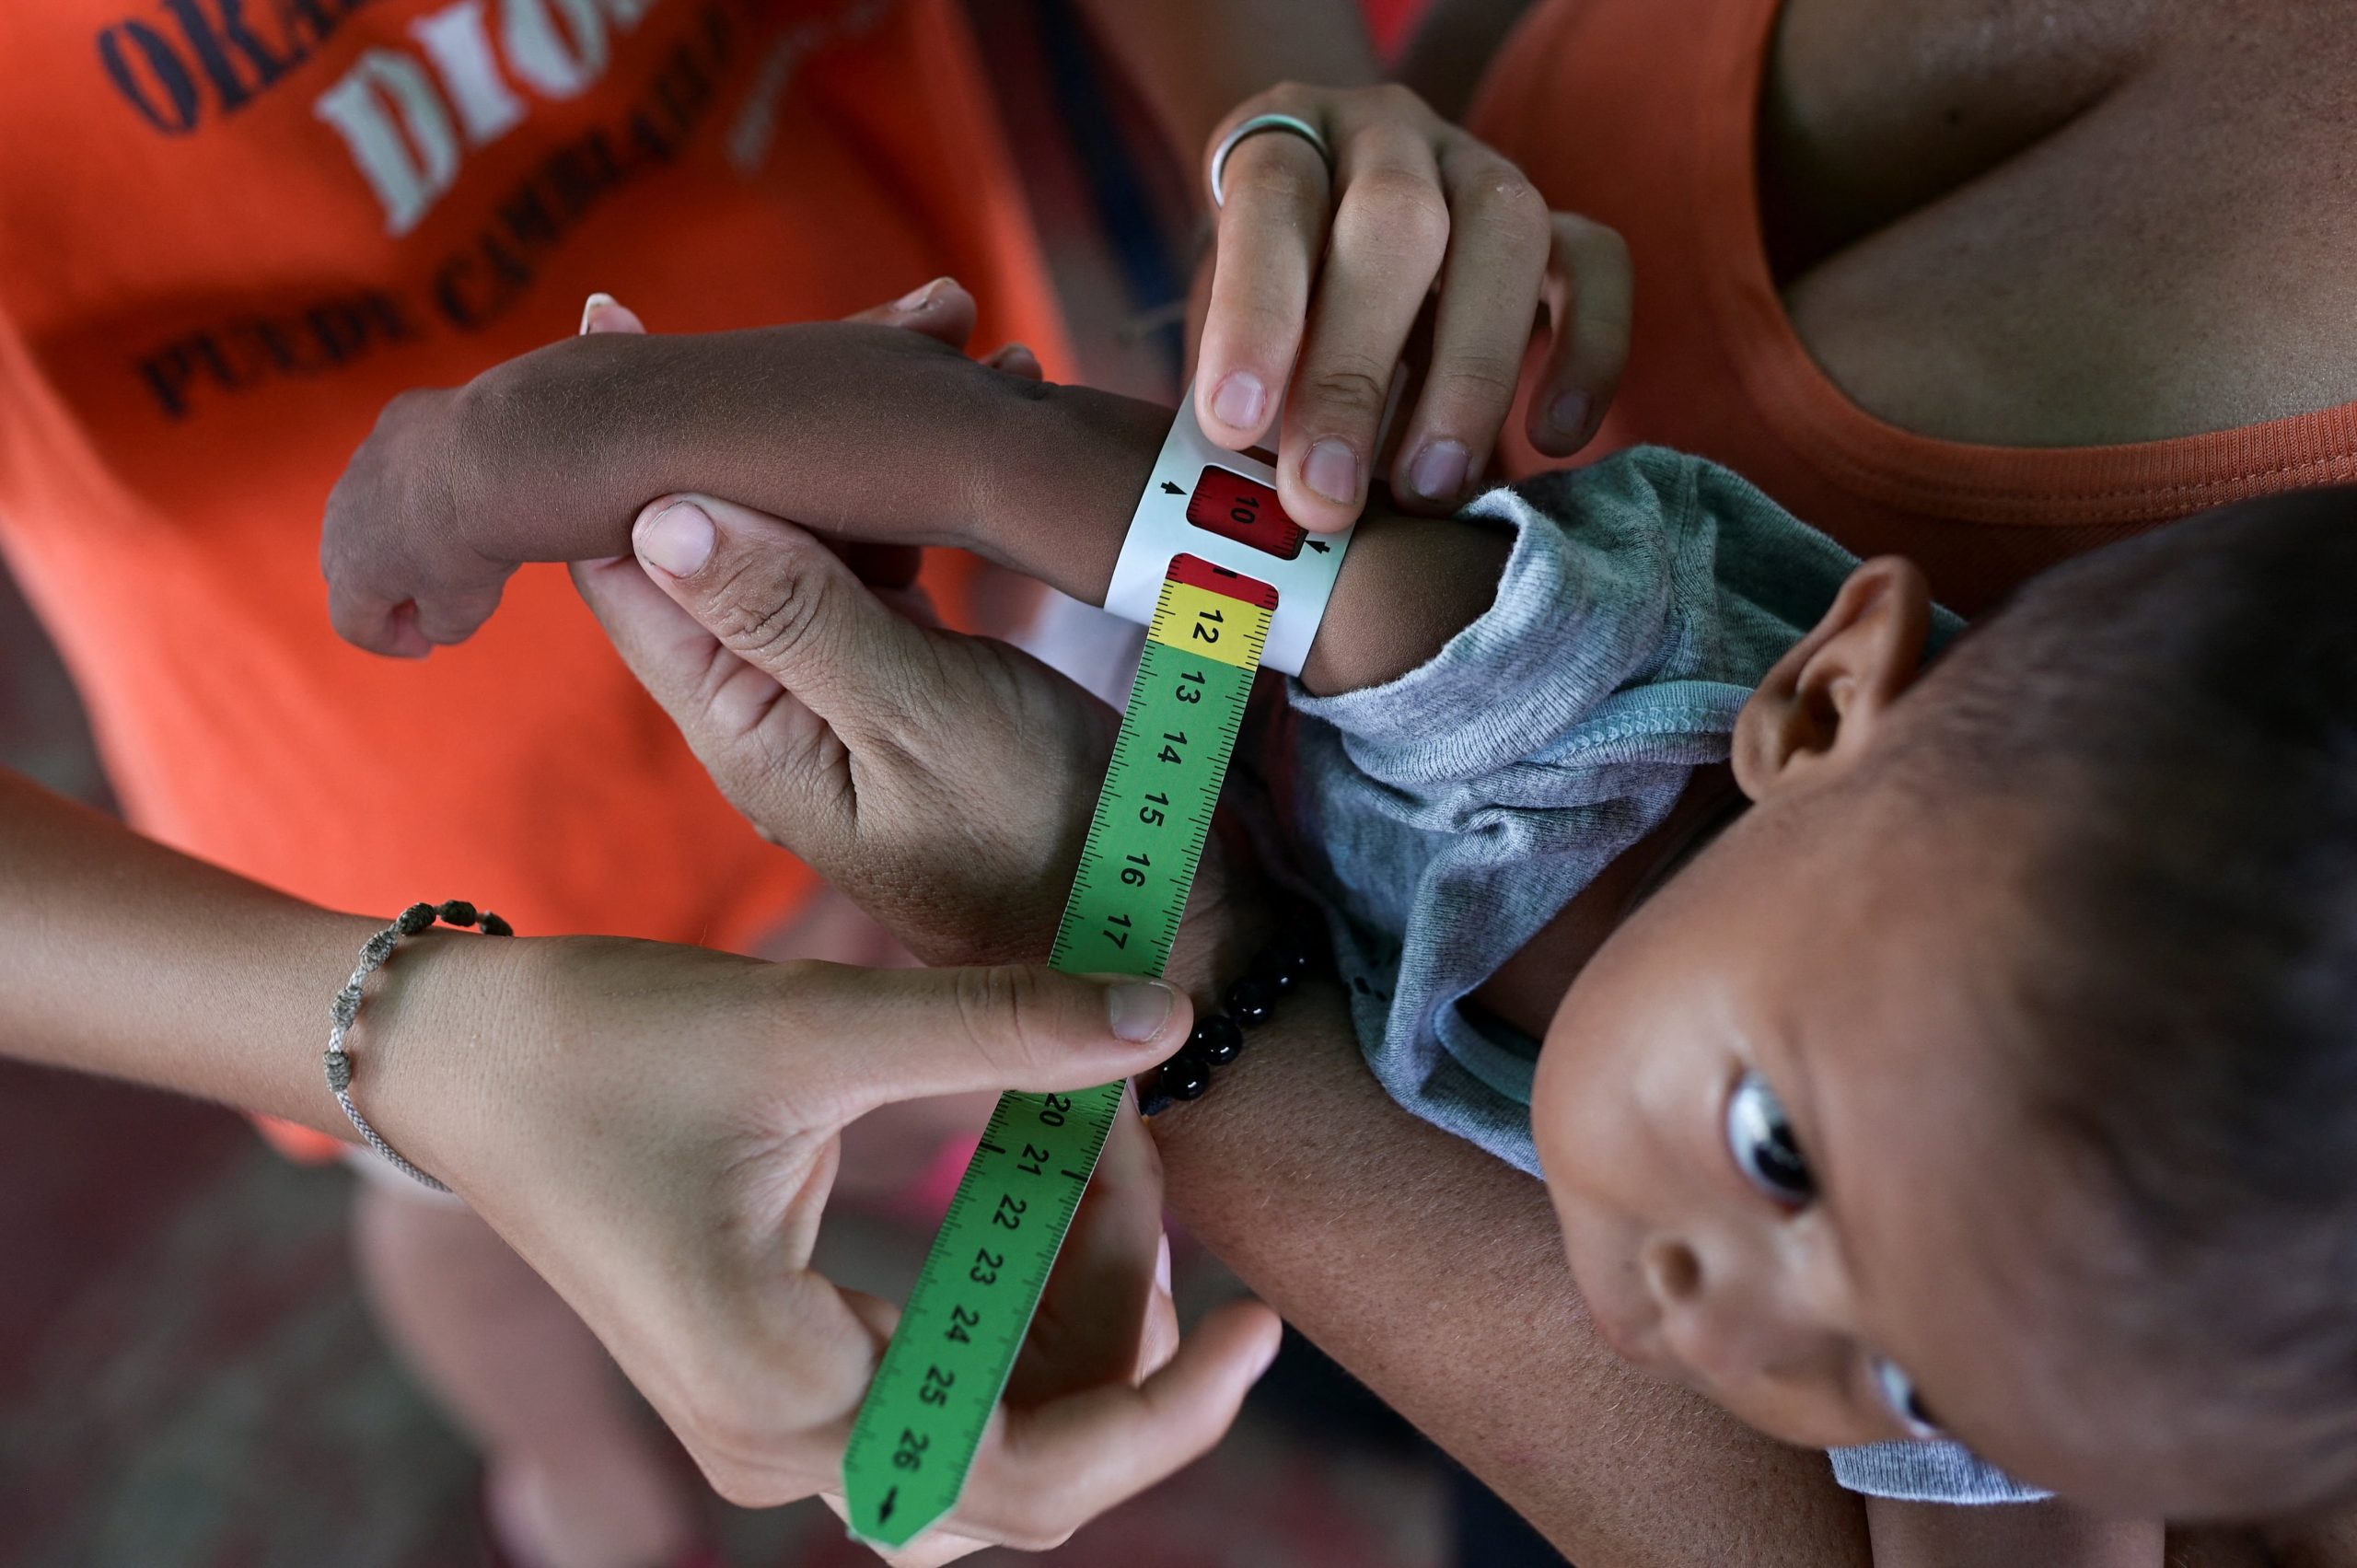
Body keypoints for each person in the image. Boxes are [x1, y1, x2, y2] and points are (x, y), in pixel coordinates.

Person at [320, 307, 2352, 1564]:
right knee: (494, 1154)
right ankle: (543, 1419)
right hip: (1051, 642)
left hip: (1187, 967)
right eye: (1772, 1157)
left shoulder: (2048, 1290)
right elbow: (995, 456)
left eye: (1902, 1382)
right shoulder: (1551, 692)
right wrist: (514, 453)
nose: (1699, 1316)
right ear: (1816, 708)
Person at [0, 2, 1621, 1561]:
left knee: (992, 1028)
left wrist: (1281, 129)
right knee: (476, 1233)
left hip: (947, 539)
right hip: (391, 815)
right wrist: (414, 1044)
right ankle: (576, 1482)